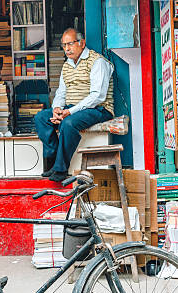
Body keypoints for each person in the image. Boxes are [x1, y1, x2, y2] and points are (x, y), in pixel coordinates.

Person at [34, 28, 114, 182]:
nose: (67, 49)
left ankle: (60, 169)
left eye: (70, 44)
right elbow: (61, 92)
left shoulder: (98, 62)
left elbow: (98, 96)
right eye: (64, 45)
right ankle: (54, 161)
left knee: (69, 123)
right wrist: (57, 109)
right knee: (41, 118)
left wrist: (69, 112)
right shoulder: (67, 65)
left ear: (82, 43)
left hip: (99, 109)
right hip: (73, 108)